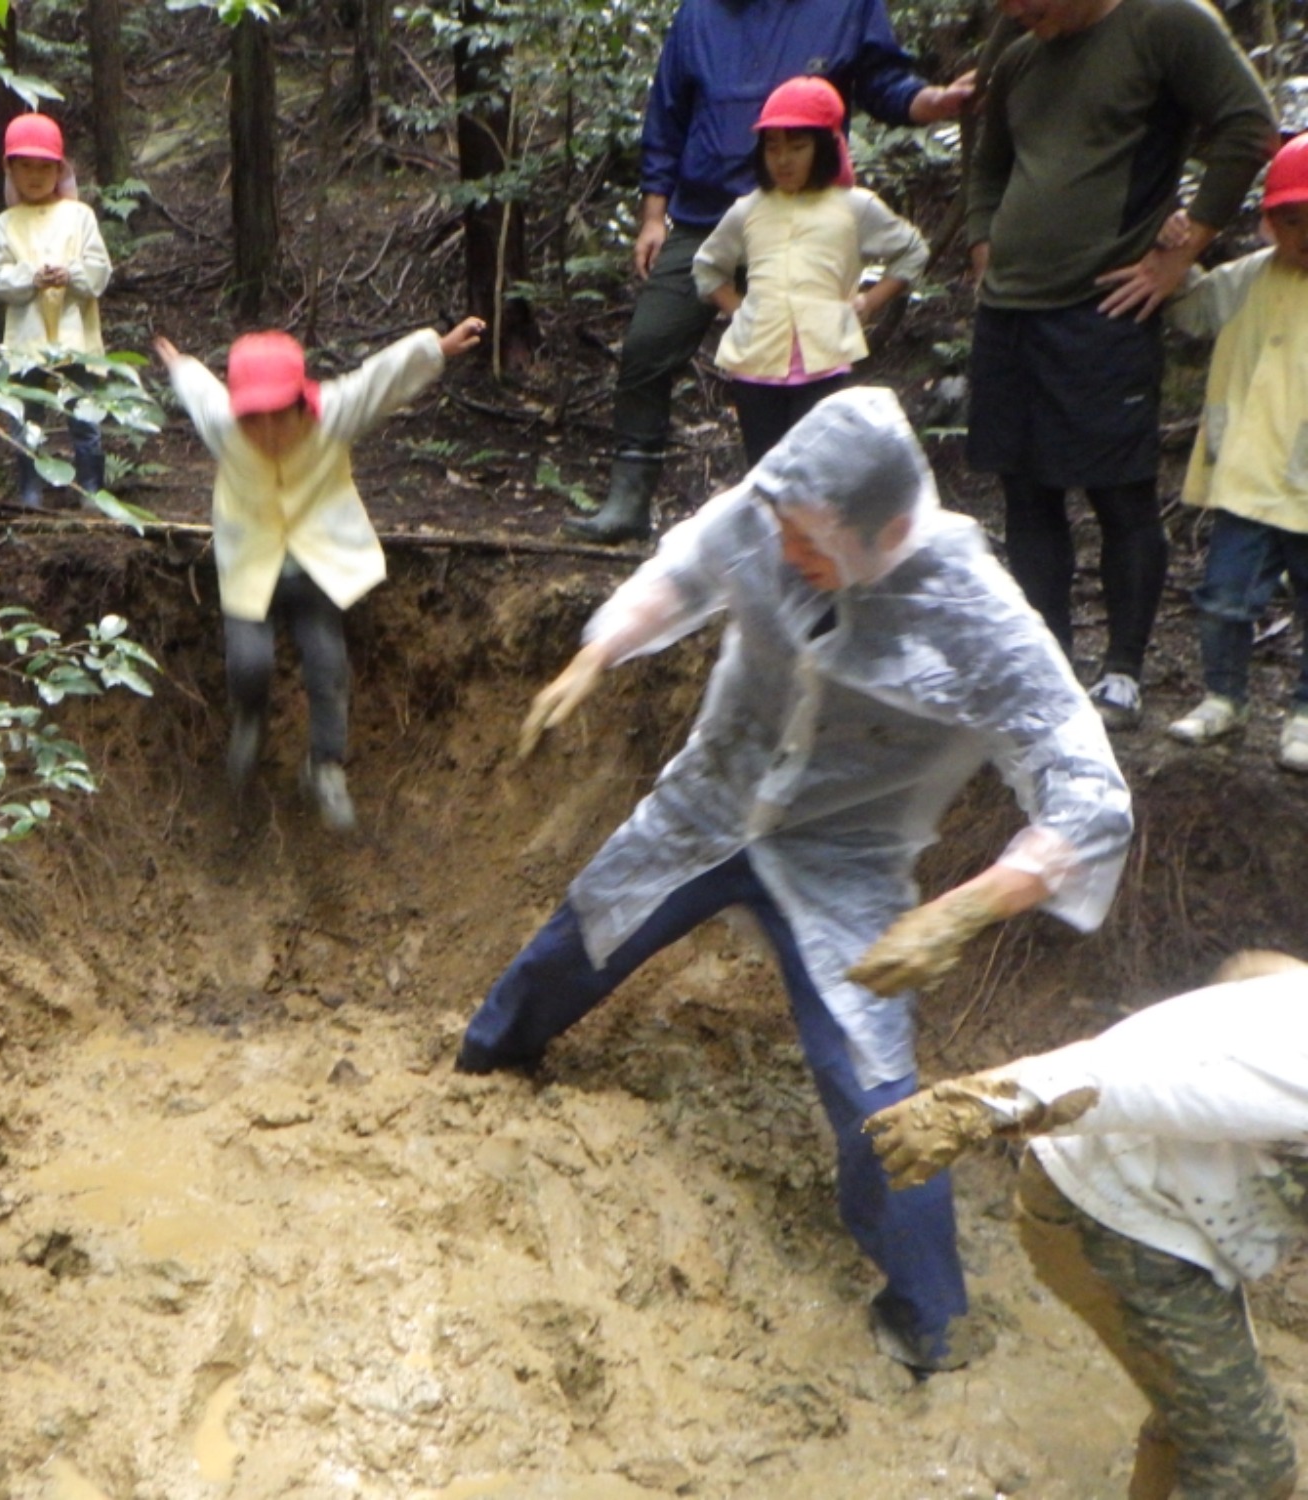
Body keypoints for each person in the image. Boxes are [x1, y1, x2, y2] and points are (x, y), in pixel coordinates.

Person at [457, 388, 1134, 1372]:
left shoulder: (974, 614)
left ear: (889, 530)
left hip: (843, 863)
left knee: (875, 1094)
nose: (784, 558)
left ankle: (929, 1324)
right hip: (709, 801)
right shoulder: (769, 515)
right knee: (582, 930)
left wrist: (975, 902)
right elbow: (686, 570)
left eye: (811, 546)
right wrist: (596, 653)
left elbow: (1088, 796)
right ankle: (483, 1067)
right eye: (778, 533)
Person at [866, 950, 1308, 1498]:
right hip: (1111, 1212)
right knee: (1251, 1466)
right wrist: (971, 1106)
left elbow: (1254, 973)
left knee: (1207, 1413)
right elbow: (1130, 1074)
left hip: (1177, 1211)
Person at [964, 0, 1274, 731]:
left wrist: (1182, 249)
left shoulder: (1163, 24)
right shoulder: (1020, 57)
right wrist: (984, 245)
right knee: (1027, 490)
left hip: (1104, 307)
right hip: (1010, 311)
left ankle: (1123, 674)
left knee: (1119, 492)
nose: (1016, 12)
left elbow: (1247, 126)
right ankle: (1048, 665)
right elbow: (988, 168)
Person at [566, 0, 971, 546]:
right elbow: (668, 113)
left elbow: (883, 82)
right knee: (649, 342)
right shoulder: (699, 16)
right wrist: (654, 214)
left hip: (803, 216)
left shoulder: (844, 7)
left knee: (801, 378)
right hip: (706, 215)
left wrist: (932, 102)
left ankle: (802, 524)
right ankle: (629, 500)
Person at [155, 319, 486, 831]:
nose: (266, 432)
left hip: (315, 564)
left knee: (328, 666)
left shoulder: (331, 416)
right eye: (253, 419)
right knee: (249, 663)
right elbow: (200, 391)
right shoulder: (224, 424)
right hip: (250, 564)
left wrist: (436, 349)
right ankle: (250, 719)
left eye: (278, 417)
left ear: (301, 404)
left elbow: (379, 380)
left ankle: (325, 765)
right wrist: (180, 366)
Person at [1160, 135, 1308, 769]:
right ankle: (1225, 695)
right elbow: (1192, 310)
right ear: (1270, 221)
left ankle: (1303, 712)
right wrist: (1173, 251)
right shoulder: (1249, 278)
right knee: (1223, 596)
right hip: (1246, 478)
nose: (1304, 234)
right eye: (1291, 219)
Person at [693, 76, 931, 465]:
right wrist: (738, 308)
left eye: (798, 146)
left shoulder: (855, 208)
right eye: (773, 147)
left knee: (817, 472)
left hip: (824, 364)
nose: (783, 160)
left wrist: (870, 301)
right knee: (766, 470)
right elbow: (708, 266)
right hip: (755, 366)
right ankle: (772, 528)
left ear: (825, 147)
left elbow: (912, 251)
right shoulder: (749, 209)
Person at [0, 113, 114, 510]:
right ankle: (30, 494)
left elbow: (99, 271)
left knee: (84, 416)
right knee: (26, 417)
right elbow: (1, 280)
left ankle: (91, 491)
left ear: (60, 170)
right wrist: (31, 277)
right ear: (10, 169)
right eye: (25, 166)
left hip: (75, 336)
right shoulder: (6, 223)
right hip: (27, 341)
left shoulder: (80, 217)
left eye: (45, 167)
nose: (36, 176)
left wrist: (70, 273)